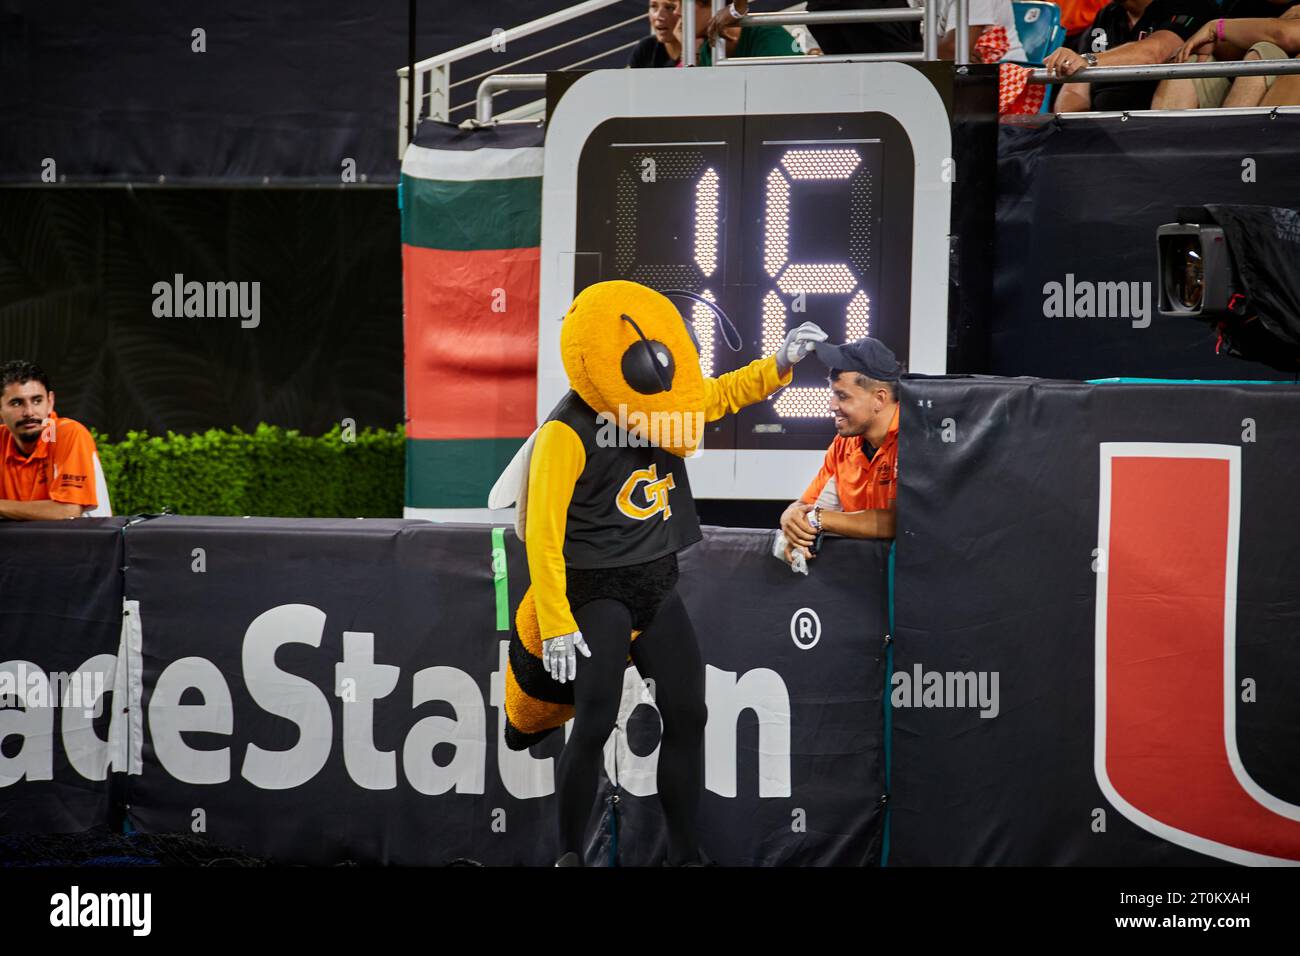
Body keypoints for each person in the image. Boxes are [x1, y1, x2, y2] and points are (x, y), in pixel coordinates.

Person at [778, 337, 902, 564]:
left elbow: (898, 522)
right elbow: (806, 506)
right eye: (833, 394)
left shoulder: (915, 440)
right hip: (862, 576)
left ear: (879, 398)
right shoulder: (844, 443)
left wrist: (818, 519)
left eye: (842, 396)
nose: (832, 405)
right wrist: (791, 518)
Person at [1043, 0, 1219, 111]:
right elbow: (1075, 89)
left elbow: (1155, 52)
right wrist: (1070, 129)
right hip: (1099, 133)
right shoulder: (1107, 14)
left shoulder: (1192, 5)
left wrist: (1087, 60)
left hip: (1150, 126)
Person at [0, 360, 100, 520]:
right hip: (19, 543)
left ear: (50, 402)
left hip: (79, 543)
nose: (29, 412)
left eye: (37, 400)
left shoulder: (69, 433)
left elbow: (68, 511)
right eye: (16, 403)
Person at [1153, 3, 1300, 108]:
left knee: (1261, 53)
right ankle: (1162, 144)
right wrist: (1218, 39)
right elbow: (1224, 47)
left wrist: (1217, 27)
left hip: (1284, 102)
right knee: (1190, 62)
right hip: (1240, 89)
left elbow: (1287, 36)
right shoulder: (1241, 6)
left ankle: (1236, 145)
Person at [706, 0, 919, 56]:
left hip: (871, 11)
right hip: (824, 11)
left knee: (898, 74)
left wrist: (738, 8)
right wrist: (738, 8)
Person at [677, 0, 801, 64]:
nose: (677, 12)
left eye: (682, 4)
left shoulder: (766, 34)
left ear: (712, 3)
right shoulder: (707, 51)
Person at [629, 0, 684, 67]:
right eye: (653, 6)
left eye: (670, 8)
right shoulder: (646, 48)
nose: (658, 16)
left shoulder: (697, 51)